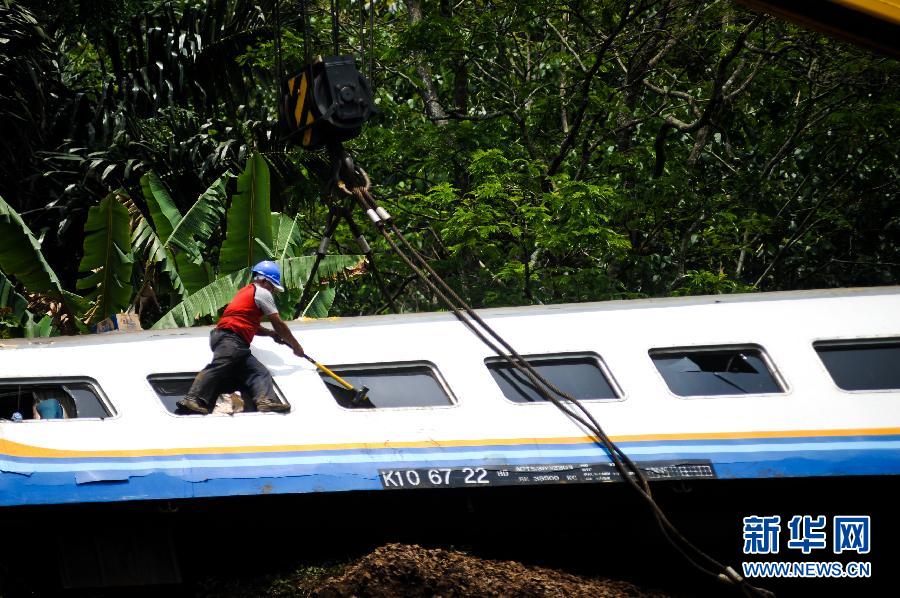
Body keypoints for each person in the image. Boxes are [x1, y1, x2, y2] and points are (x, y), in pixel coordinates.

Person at [176, 261, 304, 414]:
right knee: (219, 367)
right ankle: (192, 398)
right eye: (272, 286)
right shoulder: (262, 292)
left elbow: (251, 326)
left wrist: (271, 334)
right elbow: (278, 323)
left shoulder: (245, 292)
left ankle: (265, 400)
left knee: (258, 372)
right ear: (264, 281)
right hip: (231, 339)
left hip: (231, 340)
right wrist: (295, 345)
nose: (272, 291)